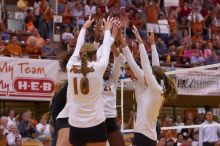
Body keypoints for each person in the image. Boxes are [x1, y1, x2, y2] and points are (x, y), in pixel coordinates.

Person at [119, 25, 177, 146]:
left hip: (144, 135)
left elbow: (144, 65)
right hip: (146, 134)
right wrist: (152, 44)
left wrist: (140, 43)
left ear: (152, 77)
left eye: (148, 74)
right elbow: (155, 66)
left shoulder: (155, 88)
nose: (145, 74)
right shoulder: (157, 87)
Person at [66, 16, 117, 146]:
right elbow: (105, 48)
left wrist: (84, 28)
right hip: (95, 123)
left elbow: (77, 48)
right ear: (94, 55)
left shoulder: (70, 65)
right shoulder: (98, 67)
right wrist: (108, 30)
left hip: (75, 124)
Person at [102, 44, 126, 146]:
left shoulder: (113, 80)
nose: (107, 68)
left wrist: (114, 46)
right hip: (98, 119)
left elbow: (118, 62)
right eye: (105, 67)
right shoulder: (95, 80)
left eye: (108, 67)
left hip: (111, 119)